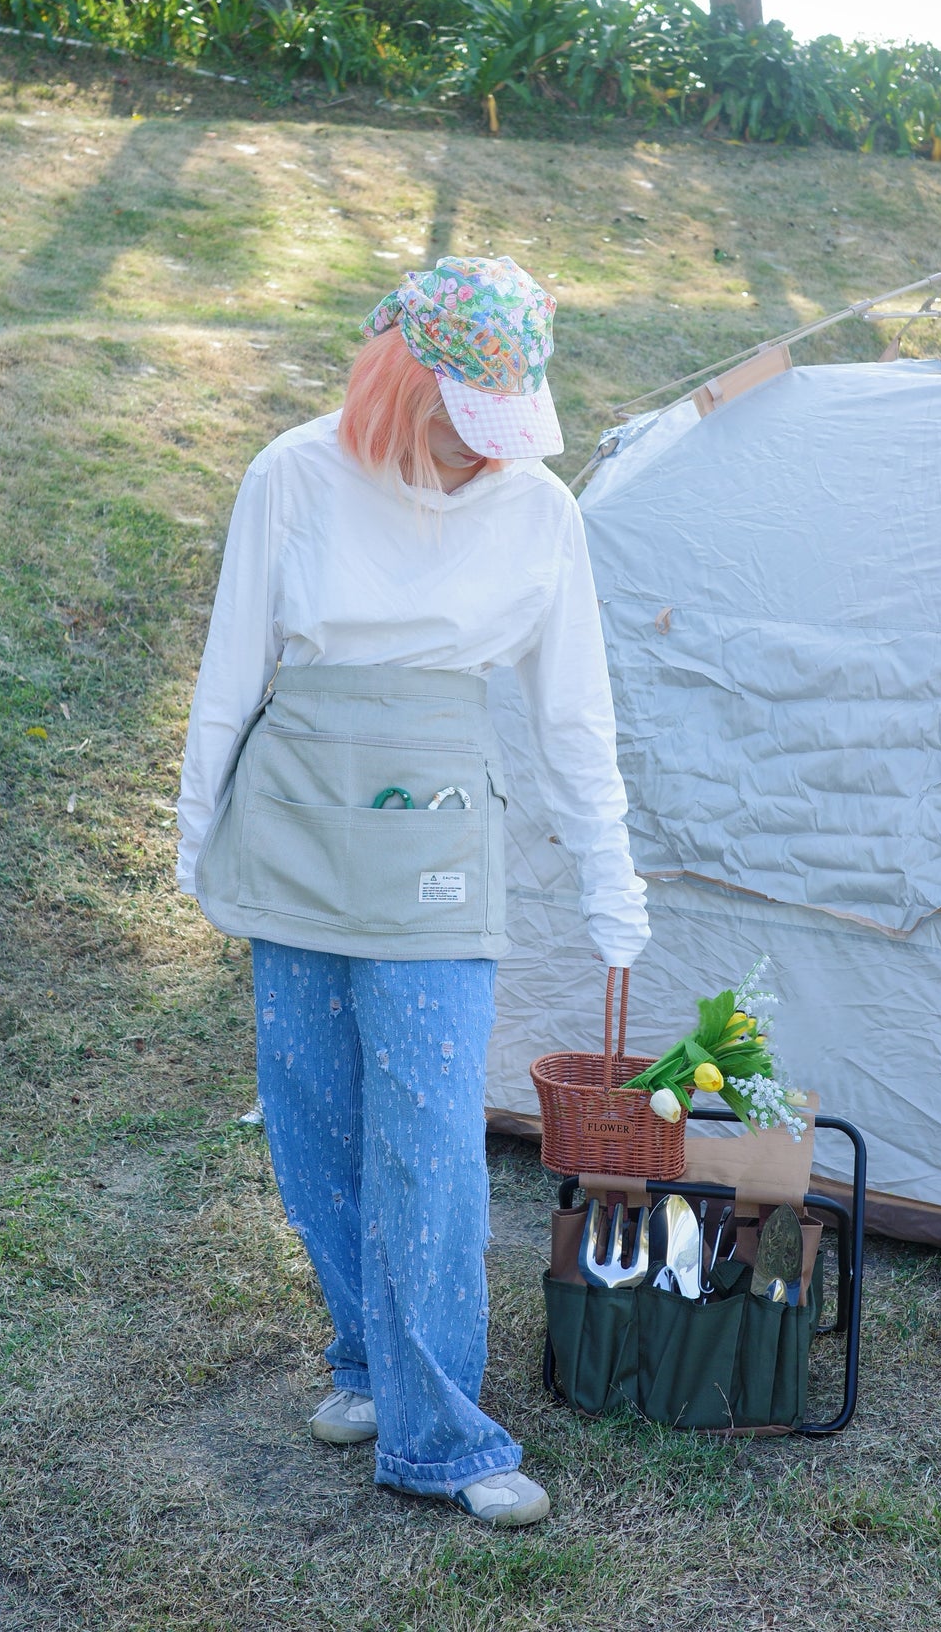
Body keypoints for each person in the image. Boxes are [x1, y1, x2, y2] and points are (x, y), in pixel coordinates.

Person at [176, 256, 649, 1527]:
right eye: (456, 422)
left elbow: (574, 717)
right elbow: (231, 671)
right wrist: (193, 837)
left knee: (431, 1134)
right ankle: (367, 1360)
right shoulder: (292, 475)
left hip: (434, 828)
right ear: (399, 382)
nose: (477, 454)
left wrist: (613, 880)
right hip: (292, 824)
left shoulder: (542, 514)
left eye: (500, 427)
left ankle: (444, 1431)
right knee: (313, 1111)